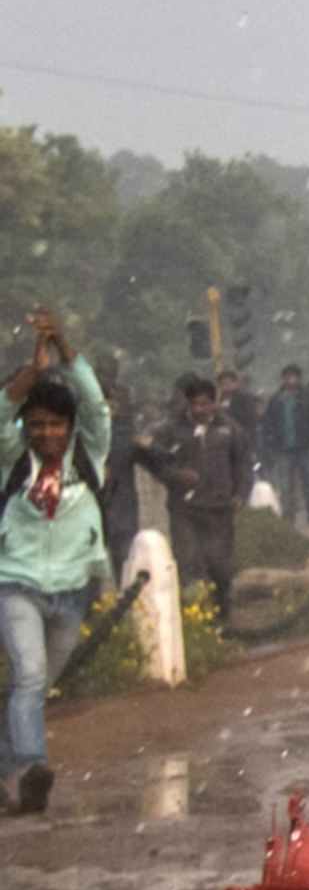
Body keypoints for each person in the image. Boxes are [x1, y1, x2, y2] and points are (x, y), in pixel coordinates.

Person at [2, 313, 111, 815]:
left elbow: (94, 405)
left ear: (70, 429)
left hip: (71, 593)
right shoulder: (12, 460)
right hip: (15, 586)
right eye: (38, 424)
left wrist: (67, 350)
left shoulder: (89, 458)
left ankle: (8, 776)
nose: (46, 432)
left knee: (37, 686)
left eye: (55, 424)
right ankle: (32, 767)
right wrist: (32, 367)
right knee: (28, 677)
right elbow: (4, 411)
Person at [148, 373, 253, 624]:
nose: (200, 409)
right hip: (184, 509)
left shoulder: (231, 429)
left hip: (219, 508)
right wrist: (175, 475)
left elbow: (244, 466)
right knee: (187, 564)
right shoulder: (170, 429)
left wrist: (240, 495)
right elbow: (154, 461)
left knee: (220, 566)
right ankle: (191, 621)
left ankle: (223, 617)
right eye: (195, 404)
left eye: (205, 403)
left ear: (215, 403)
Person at [261, 363, 309, 523]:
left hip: (306, 448)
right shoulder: (276, 399)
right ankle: (288, 519)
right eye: (287, 376)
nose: (289, 380)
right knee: (286, 487)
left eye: (293, 376)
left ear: (299, 378)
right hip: (283, 449)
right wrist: (271, 444)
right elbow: (268, 423)